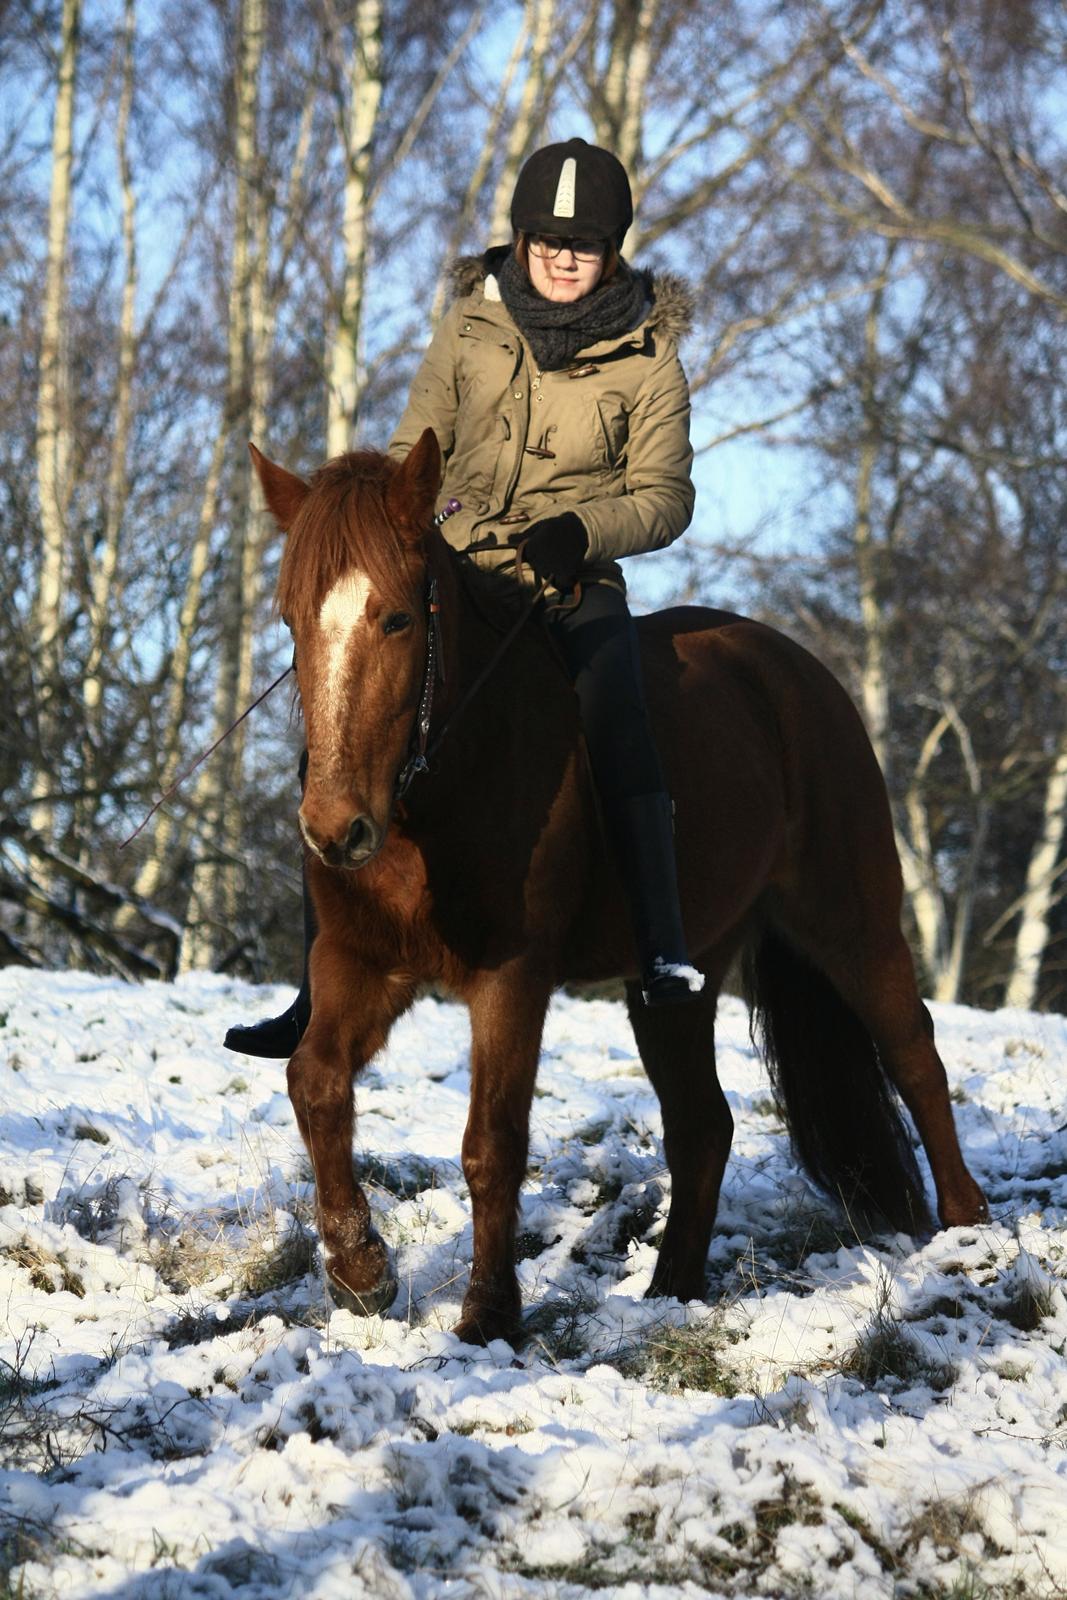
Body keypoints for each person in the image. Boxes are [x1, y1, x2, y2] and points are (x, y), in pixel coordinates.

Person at [226, 137, 702, 1058]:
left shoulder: (650, 359)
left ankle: (660, 947)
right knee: (347, 712)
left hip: (569, 581)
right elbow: (417, 454)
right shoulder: (466, 330)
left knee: (617, 709)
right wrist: (428, 519)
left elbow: (666, 496)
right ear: (520, 241)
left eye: (584, 244)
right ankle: (310, 987)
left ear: (612, 252)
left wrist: (582, 531)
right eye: (546, 239)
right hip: (450, 563)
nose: (563, 258)